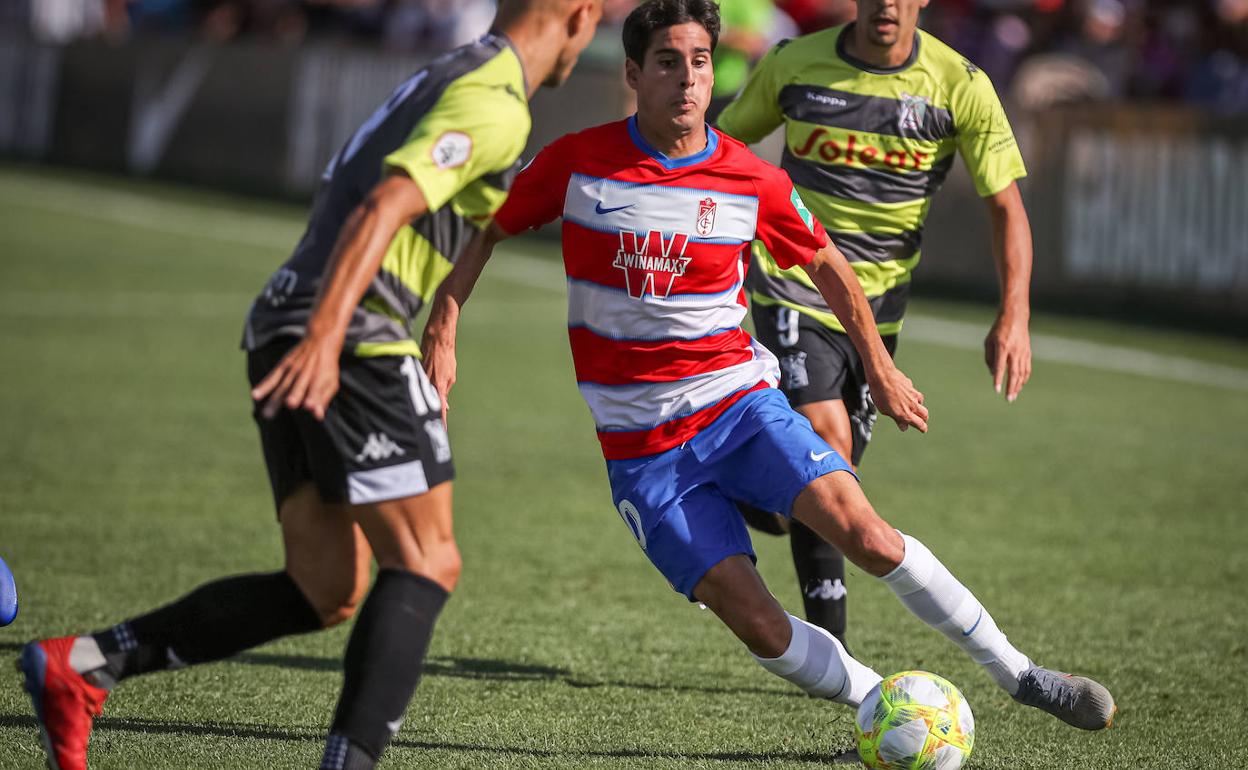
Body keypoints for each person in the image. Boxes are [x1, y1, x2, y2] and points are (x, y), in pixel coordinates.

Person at [421, 0, 1115, 736]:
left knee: (867, 532)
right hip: (643, 452)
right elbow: (487, 227)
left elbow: (824, 261)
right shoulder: (577, 163)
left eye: (698, 63)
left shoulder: (748, 178)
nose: (687, 81)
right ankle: (890, 707)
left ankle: (1024, 675)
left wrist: (878, 366)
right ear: (633, 73)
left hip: (738, 407)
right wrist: (443, 323)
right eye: (666, 63)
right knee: (756, 623)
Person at [17, 2, 602, 769]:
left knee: (323, 585)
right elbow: (388, 202)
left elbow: (451, 209)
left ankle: (86, 664)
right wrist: (330, 336)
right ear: (582, 15)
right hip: (350, 330)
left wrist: (435, 324)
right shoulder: (495, 103)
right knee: (428, 560)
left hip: (281, 320)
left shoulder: (451, 71)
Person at [714, 0, 1036, 652]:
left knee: (824, 478)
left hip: (880, 311)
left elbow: (1006, 206)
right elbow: (720, 145)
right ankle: (829, 649)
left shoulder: (961, 85)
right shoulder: (794, 64)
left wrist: (1015, 313)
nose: (886, 4)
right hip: (793, 284)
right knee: (825, 442)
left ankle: (749, 490)